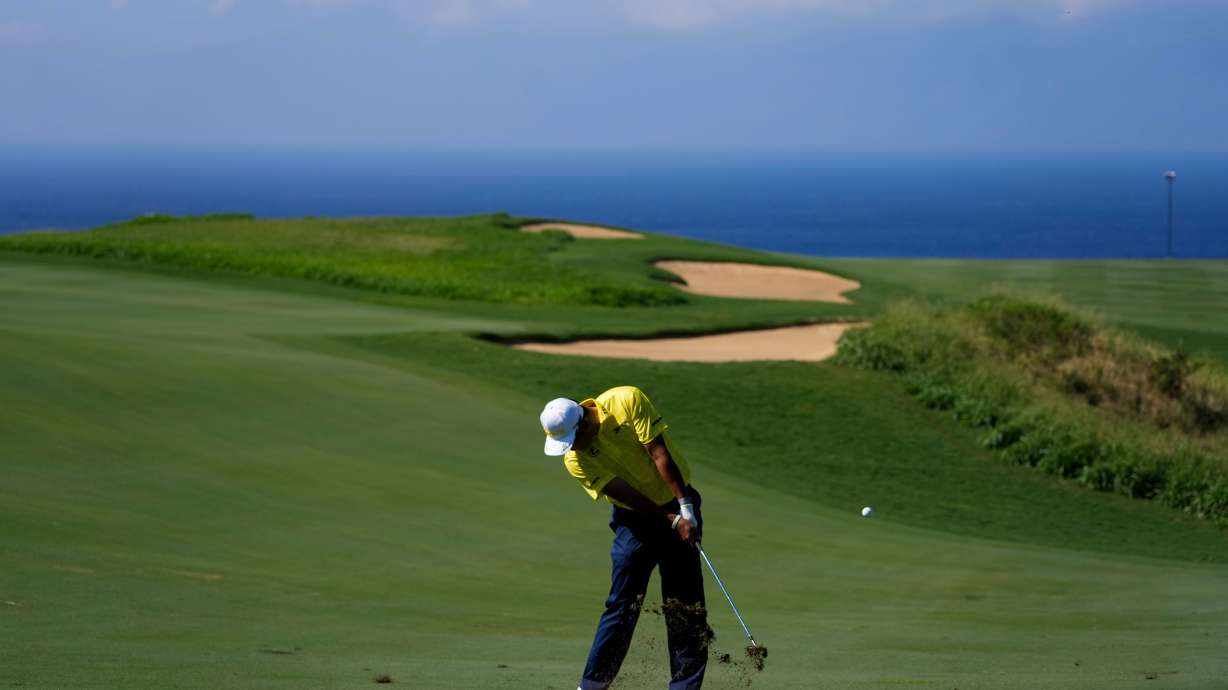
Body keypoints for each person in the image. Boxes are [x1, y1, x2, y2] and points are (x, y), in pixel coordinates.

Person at [540, 386, 707, 690]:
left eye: (572, 440)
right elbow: (625, 495)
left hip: (677, 498)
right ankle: (593, 685)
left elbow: (658, 453)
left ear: (585, 423)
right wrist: (671, 521)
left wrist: (686, 510)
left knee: (685, 605)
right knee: (622, 603)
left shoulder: (626, 400)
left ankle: (684, 688)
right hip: (634, 521)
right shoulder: (574, 460)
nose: (571, 449)